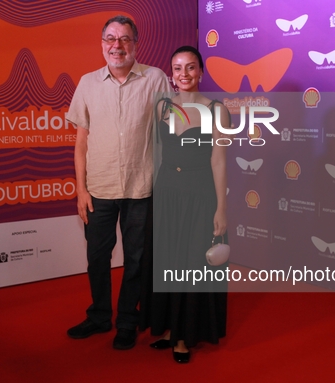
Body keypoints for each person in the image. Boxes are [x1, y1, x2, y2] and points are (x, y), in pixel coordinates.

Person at [65, 15, 170, 350]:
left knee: (137, 259)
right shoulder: (88, 83)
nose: (117, 45)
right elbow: (81, 142)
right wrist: (80, 190)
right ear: (102, 44)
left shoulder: (155, 79)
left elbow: (170, 133)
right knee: (97, 257)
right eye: (110, 38)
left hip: (142, 186)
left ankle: (127, 320)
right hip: (99, 188)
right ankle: (98, 316)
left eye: (125, 39)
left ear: (135, 44)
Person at [140, 46, 230, 363]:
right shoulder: (163, 107)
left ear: (201, 72)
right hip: (167, 192)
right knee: (168, 259)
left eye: (190, 67)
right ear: (172, 75)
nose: (184, 74)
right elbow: (158, 154)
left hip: (200, 193)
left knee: (192, 263)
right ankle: (168, 328)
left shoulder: (217, 110)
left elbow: (219, 162)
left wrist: (221, 209)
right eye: (177, 68)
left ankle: (184, 336)